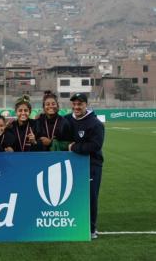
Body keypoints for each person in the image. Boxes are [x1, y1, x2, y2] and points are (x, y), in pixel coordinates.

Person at [65, 93, 105, 239]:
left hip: (91, 165)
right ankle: (74, 224)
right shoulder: (67, 119)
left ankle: (91, 229)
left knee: (90, 197)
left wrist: (75, 147)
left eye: (79, 104)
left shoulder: (95, 124)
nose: (76, 107)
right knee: (71, 195)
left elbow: (95, 146)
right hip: (71, 165)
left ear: (85, 105)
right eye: (74, 104)